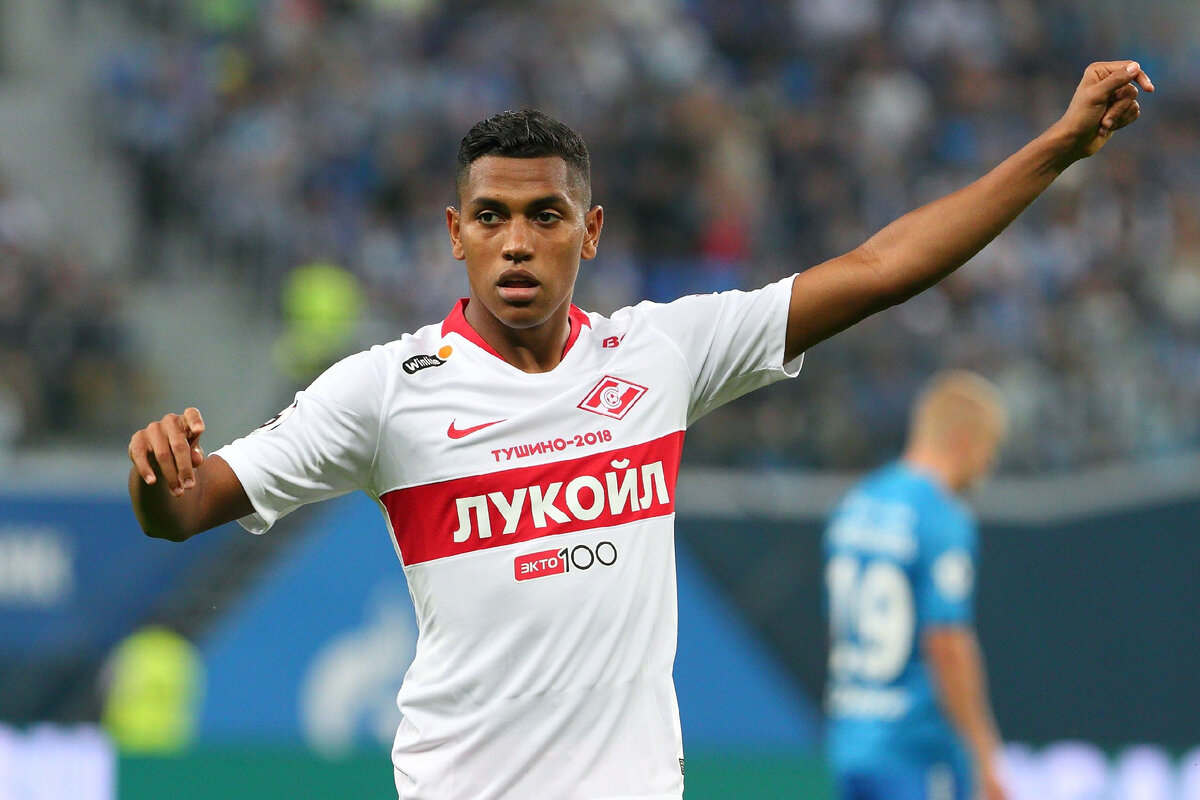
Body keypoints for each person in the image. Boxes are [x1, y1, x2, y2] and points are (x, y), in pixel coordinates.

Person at [128, 61, 1152, 800]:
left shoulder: (658, 353)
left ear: (591, 231)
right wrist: (153, 475)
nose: (516, 242)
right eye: (490, 217)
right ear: (454, 233)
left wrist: (1057, 148)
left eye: (545, 216)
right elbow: (186, 508)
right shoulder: (386, 390)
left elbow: (883, 268)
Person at [822, 371, 1009, 800]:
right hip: (915, 751)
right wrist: (984, 754)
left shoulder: (856, 503)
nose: (989, 465)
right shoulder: (941, 516)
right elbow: (946, 641)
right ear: (963, 439)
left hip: (851, 742)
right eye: (990, 448)